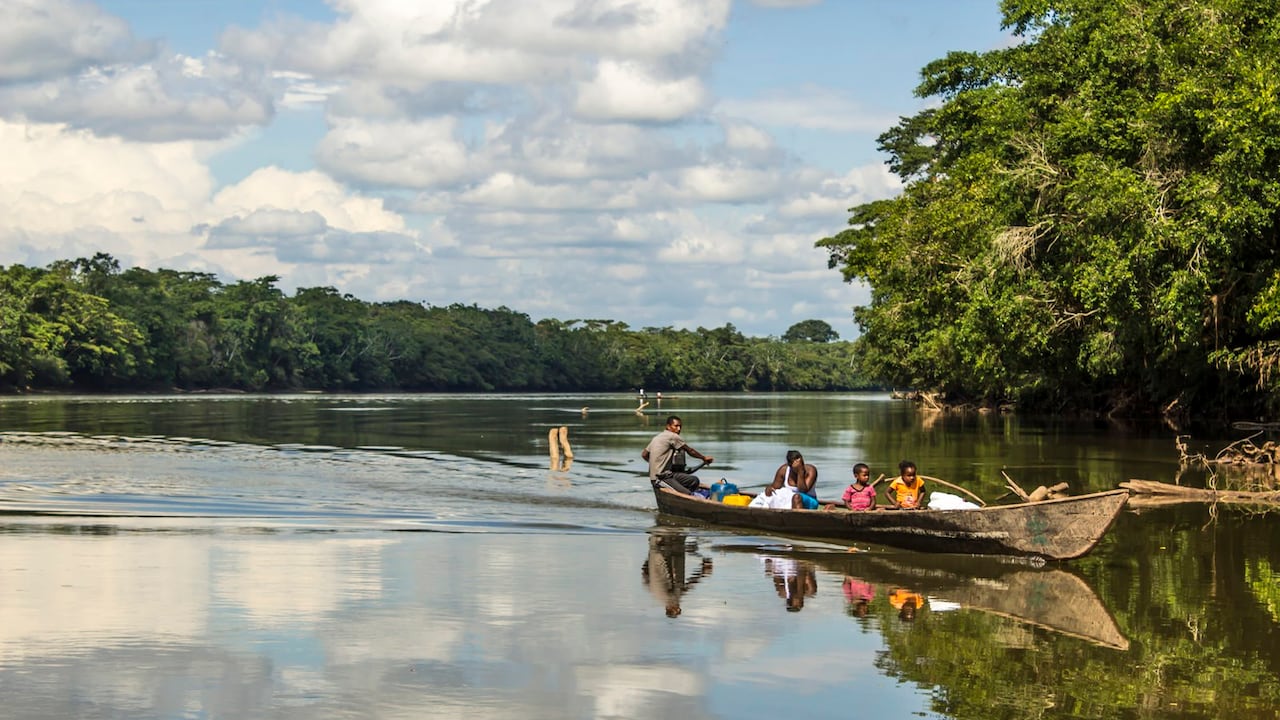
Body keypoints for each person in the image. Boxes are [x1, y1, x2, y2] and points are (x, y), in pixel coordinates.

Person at [641, 532, 712, 618]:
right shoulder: (654, 593)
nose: (678, 604)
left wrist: (703, 572)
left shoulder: (671, 599)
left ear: (668, 607)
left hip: (666, 545)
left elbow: (684, 586)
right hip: (655, 543)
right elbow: (644, 573)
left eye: (676, 607)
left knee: (680, 532)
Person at [642, 415, 714, 495]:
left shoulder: (657, 437)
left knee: (693, 480)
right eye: (676, 426)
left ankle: (681, 491)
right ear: (668, 426)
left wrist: (655, 464)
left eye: (680, 426)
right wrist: (703, 458)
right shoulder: (673, 436)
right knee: (687, 494)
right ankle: (687, 496)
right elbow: (690, 450)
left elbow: (644, 454)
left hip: (668, 475)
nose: (679, 429)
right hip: (660, 478)